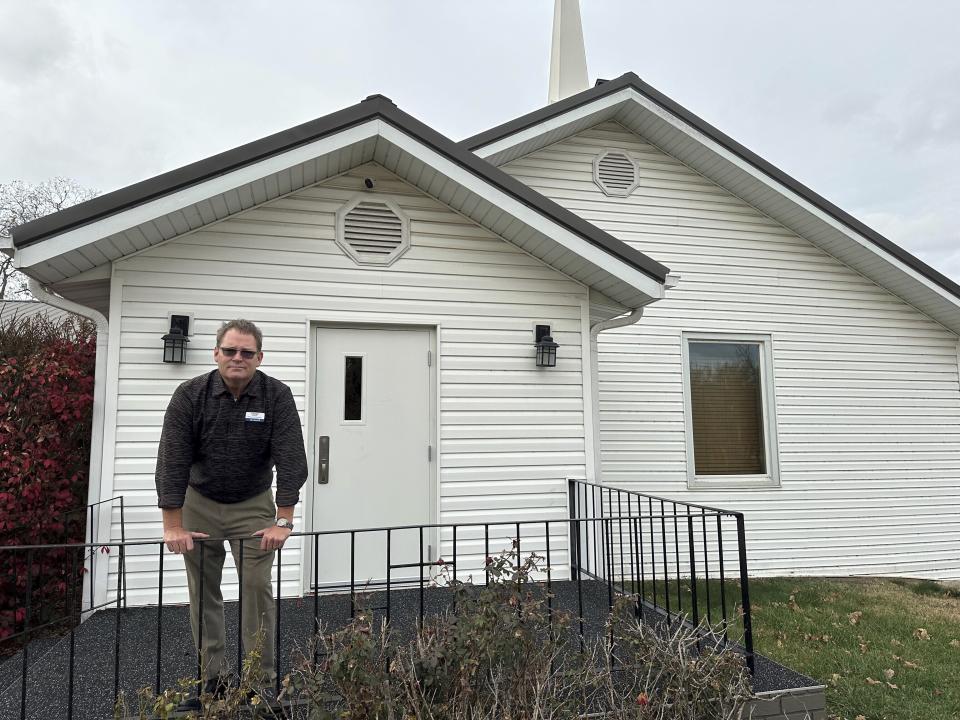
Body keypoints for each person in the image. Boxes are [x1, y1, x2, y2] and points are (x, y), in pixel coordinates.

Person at [155, 319, 307, 707]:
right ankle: (213, 682)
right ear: (216, 353)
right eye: (230, 350)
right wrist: (173, 525)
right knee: (203, 592)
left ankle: (260, 685)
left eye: (246, 352)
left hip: (253, 504)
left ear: (259, 357)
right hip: (199, 503)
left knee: (257, 588)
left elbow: (292, 460)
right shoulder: (190, 395)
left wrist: (283, 520)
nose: (237, 358)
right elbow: (172, 461)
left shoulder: (277, 395)